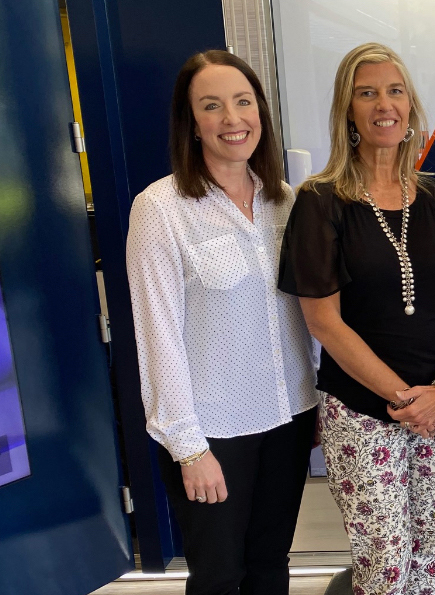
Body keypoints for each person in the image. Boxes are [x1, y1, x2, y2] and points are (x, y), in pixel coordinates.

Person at [278, 42, 435, 595]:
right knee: (385, 564)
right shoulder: (320, 203)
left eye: (394, 91)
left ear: (411, 105)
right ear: (348, 109)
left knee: (426, 551)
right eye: (366, 93)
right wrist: (404, 398)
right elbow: (324, 322)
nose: (383, 104)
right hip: (363, 409)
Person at [126, 50, 319, 595]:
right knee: (217, 578)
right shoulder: (161, 209)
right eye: (212, 107)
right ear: (190, 124)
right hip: (213, 432)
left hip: (289, 416)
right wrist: (189, 448)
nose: (233, 119)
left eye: (243, 102)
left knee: (270, 566)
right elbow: (155, 334)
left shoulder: (286, 201)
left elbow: (307, 313)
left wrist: (321, 400)